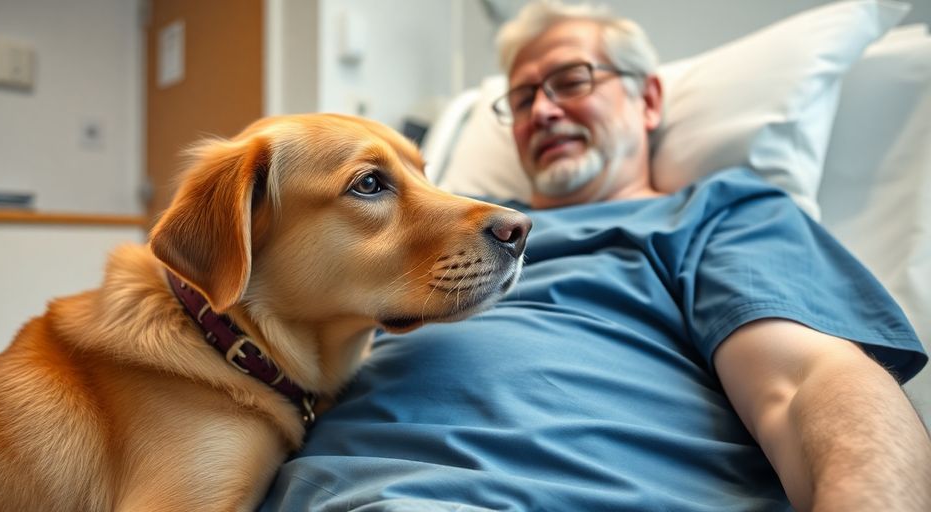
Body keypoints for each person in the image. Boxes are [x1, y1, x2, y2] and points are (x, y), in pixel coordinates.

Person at [261, 1, 931, 510]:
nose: (543, 111)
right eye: (522, 98)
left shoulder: (713, 214)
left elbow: (812, 387)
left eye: (572, 80)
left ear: (649, 98)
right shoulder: (434, 237)